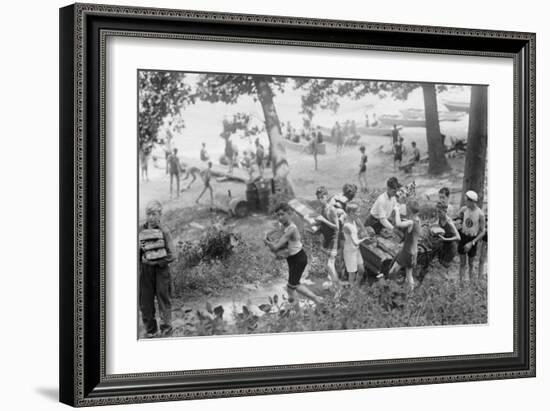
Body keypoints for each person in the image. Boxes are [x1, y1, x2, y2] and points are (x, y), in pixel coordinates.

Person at [264, 203, 322, 305]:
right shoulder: (284, 226)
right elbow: (279, 241)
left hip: (298, 259)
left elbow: (275, 247)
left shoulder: (291, 229)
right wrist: (271, 239)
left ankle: (298, 311)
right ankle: (318, 301)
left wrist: (267, 241)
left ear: (289, 213)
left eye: (282, 214)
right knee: (295, 285)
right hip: (292, 259)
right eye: (277, 215)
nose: (280, 217)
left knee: (291, 288)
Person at [138, 200, 174, 337]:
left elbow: (172, 255)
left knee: (164, 300)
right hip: (145, 271)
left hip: (161, 271)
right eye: (148, 214)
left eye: (154, 214)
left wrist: (158, 261)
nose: (151, 217)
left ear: (160, 214)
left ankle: (166, 331)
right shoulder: (140, 230)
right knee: (145, 302)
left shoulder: (164, 231)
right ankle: (151, 331)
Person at [385, 199, 421, 289]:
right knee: (409, 275)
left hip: (407, 252)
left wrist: (397, 210)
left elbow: (399, 224)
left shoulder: (411, 222)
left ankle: (392, 289)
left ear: (409, 210)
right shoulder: (418, 220)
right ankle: (410, 294)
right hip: (414, 253)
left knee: (392, 272)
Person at [315, 186, 343, 288]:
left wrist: (323, 220)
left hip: (333, 239)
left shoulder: (331, 209)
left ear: (326, 196)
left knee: (329, 265)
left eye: (322, 197)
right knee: (328, 264)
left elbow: (337, 227)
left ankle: (338, 288)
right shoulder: (322, 209)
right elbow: (323, 225)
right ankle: (332, 283)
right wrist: (316, 227)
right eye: (318, 197)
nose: (320, 199)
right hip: (327, 239)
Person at [457, 190, 486, 282]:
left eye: (467, 200)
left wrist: (472, 243)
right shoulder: (464, 209)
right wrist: (459, 224)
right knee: (462, 263)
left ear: (472, 201)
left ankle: (471, 283)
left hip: (473, 239)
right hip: (463, 236)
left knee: (471, 263)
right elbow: (459, 218)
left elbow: (482, 232)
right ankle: (461, 283)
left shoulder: (480, 214)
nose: (465, 202)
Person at [342, 202, 368, 284]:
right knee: (352, 274)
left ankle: (355, 286)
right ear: (351, 213)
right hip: (349, 251)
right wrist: (365, 238)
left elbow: (358, 220)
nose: (359, 214)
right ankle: (351, 291)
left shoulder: (353, 220)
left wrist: (364, 230)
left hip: (356, 250)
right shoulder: (347, 226)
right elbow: (355, 242)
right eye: (358, 212)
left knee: (361, 270)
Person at [435, 201, 460, 268]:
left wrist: (445, 239)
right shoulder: (440, 218)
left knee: (445, 266)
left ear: (445, 211)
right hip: (444, 245)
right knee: (440, 264)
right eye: (437, 211)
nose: (438, 214)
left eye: (440, 212)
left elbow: (458, 237)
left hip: (451, 246)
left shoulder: (449, 222)